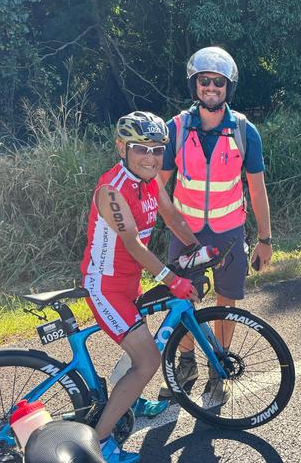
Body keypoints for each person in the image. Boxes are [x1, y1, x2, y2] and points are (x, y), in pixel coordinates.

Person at [81, 111, 199, 462]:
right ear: (121, 147)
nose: (150, 157)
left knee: (143, 346)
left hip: (129, 283)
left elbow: (172, 216)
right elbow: (133, 244)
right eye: (139, 148)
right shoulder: (113, 190)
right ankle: (100, 443)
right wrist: (172, 280)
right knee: (147, 360)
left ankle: (128, 398)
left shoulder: (149, 180)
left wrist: (197, 250)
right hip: (105, 287)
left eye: (157, 149)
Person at [157, 47, 272, 401]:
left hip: (228, 234)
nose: (211, 87)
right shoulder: (175, 129)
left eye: (218, 82)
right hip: (184, 233)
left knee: (226, 302)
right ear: (195, 84)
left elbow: (256, 188)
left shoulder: (243, 130)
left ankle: (217, 368)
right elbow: (159, 187)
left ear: (228, 87)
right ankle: (187, 361)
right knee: (183, 301)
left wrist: (265, 239)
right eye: (204, 81)